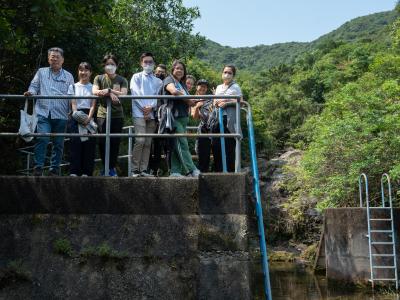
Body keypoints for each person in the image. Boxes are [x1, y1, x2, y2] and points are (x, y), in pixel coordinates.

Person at [24, 47, 74, 176]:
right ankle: (38, 167)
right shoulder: (41, 72)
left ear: (62, 60)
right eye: (52, 56)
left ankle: (54, 169)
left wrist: (72, 111)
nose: (54, 59)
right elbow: (34, 86)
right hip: (43, 112)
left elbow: (72, 95)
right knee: (43, 138)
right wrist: (31, 92)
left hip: (61, 114)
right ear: (48, 58)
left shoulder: (68, 76)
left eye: (57, 57)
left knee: (58, 143)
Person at [162, 60, 200, 177]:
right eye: (177, 68)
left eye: (182, 69)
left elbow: (187, 100)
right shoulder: (169, 80)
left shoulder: (182, 84)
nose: (179, 70)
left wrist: (192, 102)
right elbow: (173, 91)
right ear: (172, 69)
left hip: (183, 117)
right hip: (174, 116)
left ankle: (175, 171)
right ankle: (191, 169)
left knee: (176, 144)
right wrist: (188, 100)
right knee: (182, 143)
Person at [92, 54, 128, 176]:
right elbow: (95, 91)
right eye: (108, 64)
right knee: (102, 142)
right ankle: (104, 167)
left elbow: (123, 94)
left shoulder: (122, 80)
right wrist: (108, 93)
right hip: (102, 115)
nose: (110, 66)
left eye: (112, 64)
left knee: (115, 142)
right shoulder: (99, 78)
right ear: (104, 65)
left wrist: (109, 91)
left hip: (117, 115)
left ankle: (111, 168)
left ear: (116, 65)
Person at [130, 52, 162, 177]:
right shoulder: (136, 77)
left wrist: (151, 107)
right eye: (146, 62)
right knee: (140, 140)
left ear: (154, 64)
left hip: (152, 114)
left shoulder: (158, 81)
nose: (148, 64)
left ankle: (143, 169)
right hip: (139, 112)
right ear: (141, 63)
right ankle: (134, 169)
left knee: (148, 142)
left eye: (150, 62)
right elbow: (135, 93)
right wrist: (145, 108)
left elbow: (158, 97)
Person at [68, 62, 96, 176]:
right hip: (76, 116)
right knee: (75, 144)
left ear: (90, 72)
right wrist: (78, 116)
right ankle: (74, 171)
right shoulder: (73, 86)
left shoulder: (93, 87)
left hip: (89, 116)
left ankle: (87, 172)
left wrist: (88, 118)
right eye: (81, 70)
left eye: (86, 70)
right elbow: (73, 104)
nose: (83, 72)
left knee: (89, 146)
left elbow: (93, 104)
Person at [212, 64, 242, 172]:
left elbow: (240, 101)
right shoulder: (219, 87)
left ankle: (229, 171)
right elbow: (215, 100)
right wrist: (215, 102)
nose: (227, 74)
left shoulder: (236, 87)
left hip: (229, 119)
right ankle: (218, 171)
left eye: (229, 73)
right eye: (225, 72)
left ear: (233, 75)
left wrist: (226, 102)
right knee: (216, 145)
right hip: (217, 119)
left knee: (229, 146)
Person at [148, 63, 168, 176]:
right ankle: (148, 169)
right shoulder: (150, 82)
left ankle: (157, 169)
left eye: (162, 72)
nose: (160, 74)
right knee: (148, 144)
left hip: (161, 119)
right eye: (158, 71)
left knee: (159, 145)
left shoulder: (166, 85)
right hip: (149, 117)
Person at [191, 79, 213, 173]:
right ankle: (203, 174)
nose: (203, 88)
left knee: (218, 151)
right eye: (201, 85)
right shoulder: (193, 99)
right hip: (204, 127)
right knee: (203, 153)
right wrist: (197, 106)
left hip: (215, 127)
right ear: (197, 87)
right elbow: (194, 117)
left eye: (205, 86)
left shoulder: (211, 97)